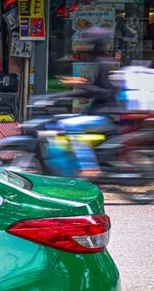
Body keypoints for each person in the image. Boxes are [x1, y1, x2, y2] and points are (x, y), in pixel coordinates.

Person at [56, 28, 119, 178]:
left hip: (105, 115)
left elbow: (105, 93)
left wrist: (80, 84)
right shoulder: (101, 61)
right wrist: (60, 96)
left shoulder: (104, 63)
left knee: (70, 125)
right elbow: (90, 92)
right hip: (100, 113)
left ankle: (89, 166)